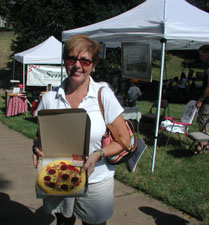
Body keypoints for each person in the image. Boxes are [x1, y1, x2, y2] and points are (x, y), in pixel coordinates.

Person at [32, 35, 130, 225]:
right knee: (63, 222)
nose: (77, 65)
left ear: (93, 65)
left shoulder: (103, 95)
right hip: (59, 176)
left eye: (84, 60)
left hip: (96, 179)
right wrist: (36, 146)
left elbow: (124, 141)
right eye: (71, 59)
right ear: (65, 62)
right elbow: (40, 135)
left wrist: (98, 154)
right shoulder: (50, 98)